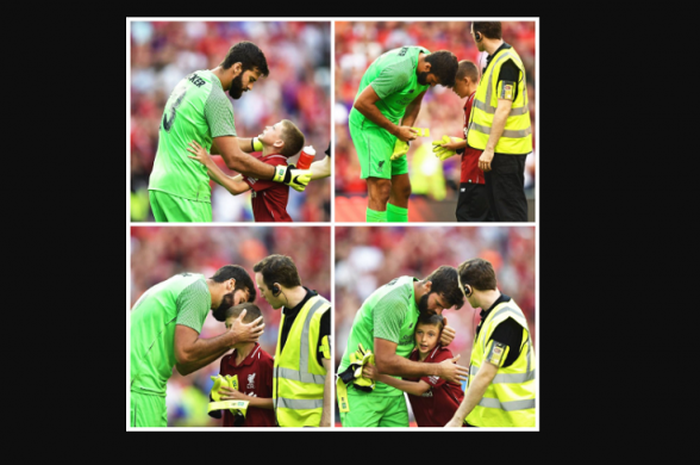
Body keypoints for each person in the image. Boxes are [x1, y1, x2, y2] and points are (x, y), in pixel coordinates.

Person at [147, 41, 311, 222]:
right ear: (238, 68)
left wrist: (256, 143)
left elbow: (213, 144)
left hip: (160, 185)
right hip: (186, 190)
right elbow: (233, 159)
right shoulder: (217, 99)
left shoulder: (194, 78)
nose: (250, 87)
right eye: (251, 79)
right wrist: (284, 175)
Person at [130, 265, 263, 427]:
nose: (235, 309)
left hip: (147, 387)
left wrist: (233, 341)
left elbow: (184, 366)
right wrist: (232, 336)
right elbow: (185, 352)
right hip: (139, 387)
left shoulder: (191, 284)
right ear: (230, 284)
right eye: (240, 301)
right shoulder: (199, 292)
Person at [336, 265, 468, 427]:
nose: (438, 312)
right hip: (361, 388)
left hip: (393, 391)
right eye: (438, 304)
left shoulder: (422, 302)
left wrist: (439, 334)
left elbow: (411, 336)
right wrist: (437, 369)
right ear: (428, 286)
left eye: (443, 309)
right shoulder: (395, 302)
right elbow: (385, 362)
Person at [349, 46, 458, 222]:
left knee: (403, 189)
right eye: (432, 81)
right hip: (369, 125)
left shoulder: (427, 63)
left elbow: (414, 103)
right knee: (382, 189)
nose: (430, 85)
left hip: (392, 128)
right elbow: (361, 103)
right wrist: (397, 130)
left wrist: (403, 133)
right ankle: (380, 236)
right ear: (427, 67)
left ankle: (395, 228)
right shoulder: (400, 72)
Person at [445, 258, 535, 427]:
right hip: (490, 420)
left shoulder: (505, 322)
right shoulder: (495, 315)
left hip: (509, 422)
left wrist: (457, 418)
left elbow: (486, 374)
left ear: (468, 289)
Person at [186, 119, 327, 222]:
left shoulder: (275, 165)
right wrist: (202, 163)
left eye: (273, 129)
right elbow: (232, 181)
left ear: (278, 143)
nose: (267, 126)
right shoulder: (263, 159)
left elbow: (235, 188)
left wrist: (207, 161)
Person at [253, 254, 332, 427]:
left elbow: (331, 372)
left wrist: (326, 423)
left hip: (311, 422)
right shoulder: (285, 310)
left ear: (276, 288)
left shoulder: (323, 313)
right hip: (286, 422)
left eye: (262, 289)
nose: (261, 295)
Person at [465, 22, 533, 222]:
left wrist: (489, 149)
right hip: (499, 150)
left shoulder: (507, 63)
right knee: (498, 211)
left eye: (472, 35)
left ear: (479, 35)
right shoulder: (495, 59)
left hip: (506, 151)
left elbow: (504, 108)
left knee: (509, 211)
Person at [362, 313, 465, 427]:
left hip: (455, 425)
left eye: (431, 334)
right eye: (420, 332)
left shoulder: (443, 357)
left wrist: (379, 376)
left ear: (440, 336)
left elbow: (419, 389)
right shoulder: (410, 357)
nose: (424, 339)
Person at [432, 60, 493, 222]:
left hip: (476, 175)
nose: (453, 90)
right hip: (477, 173)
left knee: (467, 217)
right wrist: (459, 145)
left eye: (454, 85)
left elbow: (486, 135)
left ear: (465, 80)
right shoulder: (478, 99)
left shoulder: (477, 101)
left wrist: (458, 144)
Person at [207, 302, 277, 427]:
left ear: (252, 327)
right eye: (227, 327)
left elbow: (279, 402)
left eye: (233, 327)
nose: (228, 333)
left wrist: (245, 399)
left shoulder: (265, 361)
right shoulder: (226, 361)